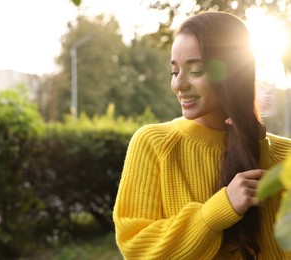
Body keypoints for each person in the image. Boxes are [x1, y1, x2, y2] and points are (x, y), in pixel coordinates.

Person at [113, 11, 291, 260]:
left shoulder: (285, 155)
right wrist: (217, 211)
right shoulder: (153, 143)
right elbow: (135, 247)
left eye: (195, 71)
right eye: (175, 72)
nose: (178, 84)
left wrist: (257, 144)